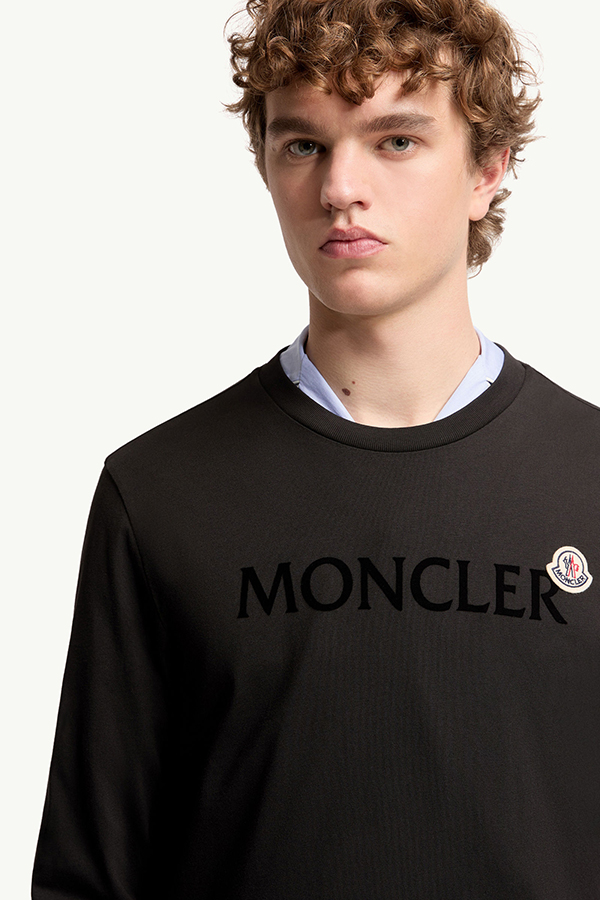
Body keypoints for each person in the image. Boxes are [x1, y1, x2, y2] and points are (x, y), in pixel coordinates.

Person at [32, 0, 600, 898]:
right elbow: (90, 875)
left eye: (396, 141)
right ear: (266, 165)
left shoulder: (590, 482)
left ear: (487, 169)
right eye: (304, 145)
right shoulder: (161, 494)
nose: (340, 188)